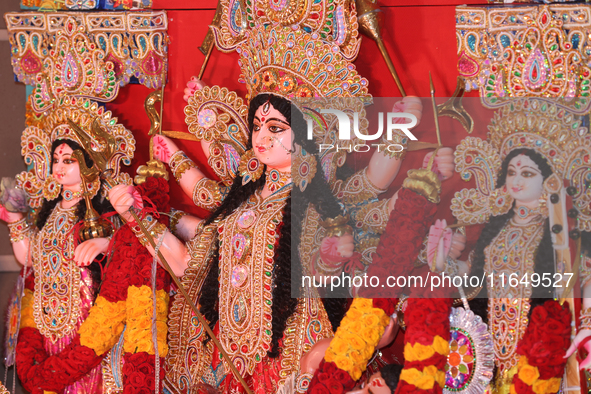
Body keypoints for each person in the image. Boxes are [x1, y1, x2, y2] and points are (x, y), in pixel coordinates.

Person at [446, 98, 591, 393]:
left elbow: (583, 277)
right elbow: (475, 283)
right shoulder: (495, 228)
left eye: (527, 173)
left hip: (541, 348)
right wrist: (444, 261)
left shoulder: (563, 229)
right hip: (491, 349)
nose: (516, 180)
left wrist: (587, 321)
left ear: (549, 179)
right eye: (512, 172)